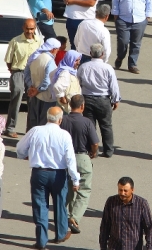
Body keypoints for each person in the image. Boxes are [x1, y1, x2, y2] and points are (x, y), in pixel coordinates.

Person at [16, 106, 79, 248]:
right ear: (60, 120)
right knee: (60, 204)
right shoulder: (64, 135)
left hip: (39, 173)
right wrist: (75, 179)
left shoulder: (35, 131)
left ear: (47, 117)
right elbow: (70, 159)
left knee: (40, 206)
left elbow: (20, 148)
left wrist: (25, 156)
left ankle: (41, 240)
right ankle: (61, 234)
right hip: (59, 174)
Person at [59, 95, 98, 234]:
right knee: (84, 190)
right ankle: (74, 218)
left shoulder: (62, 120)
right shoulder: (87, 122)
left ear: (70, 105)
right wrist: (94, 153)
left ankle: (66, 216)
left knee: (69, 189)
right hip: (82, 157)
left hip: (65, 158)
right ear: (82, 106)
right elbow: (95, 143)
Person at [78, 43, 121, 158]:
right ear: (102, 54)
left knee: (89, 126)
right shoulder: (108, 68)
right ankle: (108, 151)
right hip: (103, 100)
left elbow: (78, 84)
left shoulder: (83, 67)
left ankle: (92, 150)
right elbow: (114, 86)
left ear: (90, 53)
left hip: (87, 99)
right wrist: (116, 100)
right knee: (106, 125)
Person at [112, 0, 152, 73]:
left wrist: (147, 17)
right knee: (123, 42)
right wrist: (116, 15)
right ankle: (120, 57)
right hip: (123, 20)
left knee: (136, 44)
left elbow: (149, 2)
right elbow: (115, 0)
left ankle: (132, 65)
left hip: (140, 20)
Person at [3, 18, 42, 138]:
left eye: (32, 29)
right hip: (18, 71)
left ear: (35, 28)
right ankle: (10, 128)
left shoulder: (39, 42)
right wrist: (14, 72)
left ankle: (30, 130)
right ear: (23, 28)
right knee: (17, 95)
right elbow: (9, 61)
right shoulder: (15, 41)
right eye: (27, 28)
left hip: (32, 74)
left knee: (32, 101)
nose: (29, 31)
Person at [99, 177, 152, 250]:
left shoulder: (142, 204)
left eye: (125, 190)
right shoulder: (111, 202)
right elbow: (105, 226)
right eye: (120, 190)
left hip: (133, 247)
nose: (122, 193)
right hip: (114, 247)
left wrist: (149, 247)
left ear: (132, 190)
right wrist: (103, 247)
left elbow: (149, 228)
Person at [23, 38, 61, 130]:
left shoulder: (35, 56)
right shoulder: (49, 61)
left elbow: (26, 73)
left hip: (35, 95)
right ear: (53, 49)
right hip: (46, 97)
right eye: (57, 49)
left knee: (34, 121)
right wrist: (38, 90)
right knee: (44, 123)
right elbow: (48, 80)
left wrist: (31, 87)